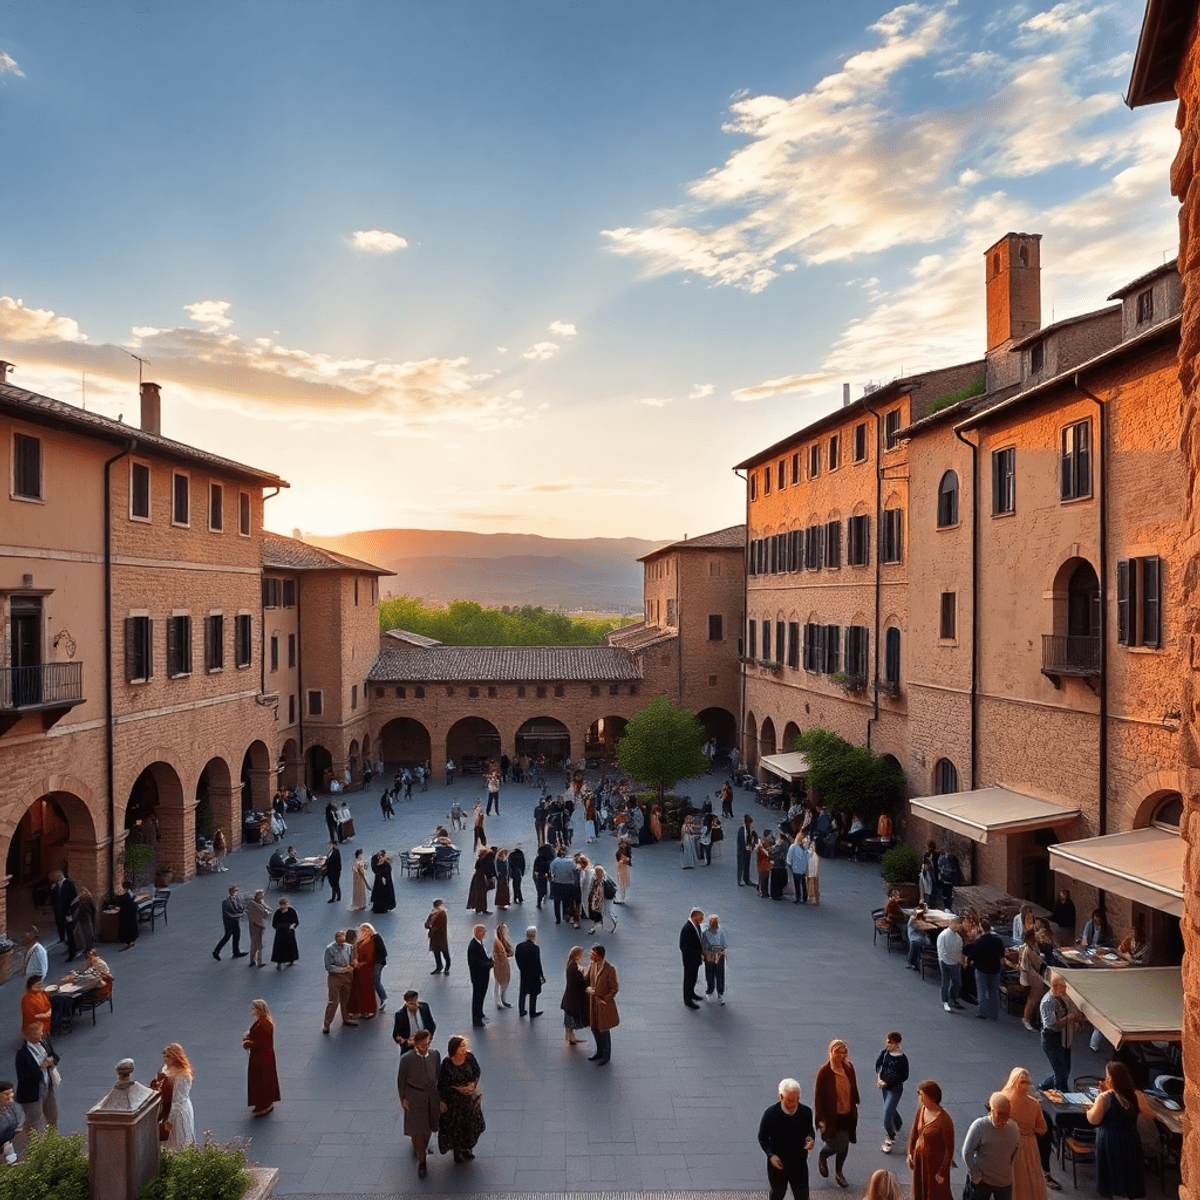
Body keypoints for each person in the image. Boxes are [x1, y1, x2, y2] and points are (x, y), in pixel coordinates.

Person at [1086, 1061, 1153, 1199]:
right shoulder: (1137, 1095)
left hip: (1109, 1141)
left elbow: (1094, 1119)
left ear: (1111, 1079)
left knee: (1110, 1175)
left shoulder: (1105, 1097)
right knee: (1129, 1173)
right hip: (1130, 1138)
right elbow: (1150, 1114)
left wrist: (1088, 1110)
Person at [757, 1077, 816, 1200]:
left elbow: (809, 1130)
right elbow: (762, 1137)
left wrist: (810, 1139)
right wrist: (771, 1155)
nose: (793, 1104)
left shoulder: (805, 1112)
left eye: (796, 1100)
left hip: (799, 1163)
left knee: (802, 1196)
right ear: (781, 1097)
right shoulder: (771, 1114)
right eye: (789, 1100)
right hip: (778, 1163)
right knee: (778, 1193)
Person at [814, 1038, 859, 1188]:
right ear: (831, 1052)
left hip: (846, 1115)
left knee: (844, 1146)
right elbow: (818, 1098)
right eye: (837, 1052)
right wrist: (820, 1118)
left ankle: (839, 1172)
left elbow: (853, 1087)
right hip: (830, 1117)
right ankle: (823, 1156)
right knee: (833, 1145)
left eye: (843, 1052)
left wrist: (855, 1104)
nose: (840, 1055)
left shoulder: (848, 1067)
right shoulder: (824, 1072)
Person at [1000, 1068, 1050, 1200]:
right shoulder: (1034, 1104)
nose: (1026, 1085)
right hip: (1029, 1145)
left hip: (1009, 1144)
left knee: (1013, 1177)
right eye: (1024, 1082)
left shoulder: (1004, 1101)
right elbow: (1043, 1128)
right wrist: (1030, 1131)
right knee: (1029, 1178)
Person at [398, 1029, 442, 1177]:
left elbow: (438, 1075)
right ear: (415, 1044)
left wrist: (441, 1098)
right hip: (414, 1096)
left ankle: (422, 1146)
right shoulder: (406, 1059)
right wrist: (403, 1098)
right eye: (422, 1045)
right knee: (417, 1129)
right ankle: (422, 1160)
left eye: (427, 1044)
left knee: (429, 1126)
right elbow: (401, 1080)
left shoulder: (435, 1055)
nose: (425, 1047)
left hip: (431, 1095)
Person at [961, 1092, 1020, 1200]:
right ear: (992, 1111)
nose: (1003, 1120)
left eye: (1006, 1116)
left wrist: (1008, 1167)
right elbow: (967, 1152)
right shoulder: (980, 1126)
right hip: (982, 1180)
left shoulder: (1013, 1127)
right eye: (1000, 1115)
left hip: (1004, 1180)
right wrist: (976, 1174)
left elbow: (1015, 1150)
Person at [437, 1035, 484, 1163]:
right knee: (456, 1127)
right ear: (455, 1048)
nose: (464, 1048)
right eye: (461, 1046)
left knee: (471, 1126)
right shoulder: (447, 1063)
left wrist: (472, 1084)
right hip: (454, 1102)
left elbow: (476, 1071)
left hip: (469, 1100)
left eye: (465, 1045)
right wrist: (453, 1091)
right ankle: (457, 1152)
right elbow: (442, 1083)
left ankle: (466, 1149)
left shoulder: (469, 1058)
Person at [906, 1079, 954, 1200]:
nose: (919, 1097)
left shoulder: (944, 1120)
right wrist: (910, 1153)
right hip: (920, 1160)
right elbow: (914, 1132)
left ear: (930, 1097)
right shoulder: (921, 1110)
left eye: (921, 1094)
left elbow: (949, 1149)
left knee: (934, 1193)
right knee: (920, 1189)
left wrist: (943, 1172)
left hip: (934, 1165)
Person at [1038, 973, 1085, 1092]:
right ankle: (1062, 1093)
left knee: (1064, 1069)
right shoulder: (1048, 1002)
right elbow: (1050, 1024)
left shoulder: (1062, 997)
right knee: (1061, 1072)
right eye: (1063, 986)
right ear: (1055, 986)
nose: (1065, 989)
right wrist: (1070, 1017)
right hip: (1051, 1038)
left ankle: (1043, 1087)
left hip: (1063, 1037)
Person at [14, 1023, 58, 1137]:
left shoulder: (44, 1044)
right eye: (39, 1033)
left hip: (47, 1087)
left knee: (52, 1115)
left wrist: (51, 1061)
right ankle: (32, 1147)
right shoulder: (22, 1054)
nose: (42, 1034)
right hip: (31, 1093)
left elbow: (55, 1056)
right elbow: (23, 1077)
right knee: (34, 1122)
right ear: (30, 1035)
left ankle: (53, 1142)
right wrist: (41, 1068)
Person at [242, 999, 280, 1117]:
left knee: (262, 1079)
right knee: (260, 1079)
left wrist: (248, 1043)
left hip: (262, 1057)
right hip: (261, 1056)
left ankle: (265, 1103)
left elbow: (262, 1043)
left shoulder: (264, 1023)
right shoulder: (262, 1021)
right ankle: (261, 1102)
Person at [875, 1031, 909, 1153]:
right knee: (890, 1108)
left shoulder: (902, 1059)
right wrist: (879, 1078)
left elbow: (904, 1076)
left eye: (890, 1043)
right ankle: (898, 1123)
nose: (887, 1044)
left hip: (895, 1090)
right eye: (887, 1041)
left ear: (897, 1044)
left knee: (887, 1112)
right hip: (884, 1088)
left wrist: (888, 1082)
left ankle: (890, 1136)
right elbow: (878, 1065)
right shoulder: (885, 1054)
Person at [966, 918, 1006, 1020]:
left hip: (982, 969)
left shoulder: (979, 941)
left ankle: (983, 1012)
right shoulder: (997, 940)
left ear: (981, 928)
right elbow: (1002, 953)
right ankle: (994, 1013)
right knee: (993, 992)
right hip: (995, 969)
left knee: (982, 991)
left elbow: (972, 954)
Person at [158, 1044, 196, 1150]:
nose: (165, 1058)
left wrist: (171, 1120)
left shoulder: (183, 1075)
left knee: (179, 1141)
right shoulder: (165, 1069)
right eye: (164, 1055)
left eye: (168, 1056)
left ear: (175, 1057)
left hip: (178, 1112)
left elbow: (179, 1100)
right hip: (166, 1107)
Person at [586, 944, 618, 1065]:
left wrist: (605, 999)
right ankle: (599, 1051)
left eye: (592, 954)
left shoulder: (609, 969)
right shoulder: (593, 965)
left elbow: (614, 988)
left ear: (599, 956)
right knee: (594, 1028)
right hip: (593, 1004)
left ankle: (606, 1055)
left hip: (603, 1005)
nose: (590, 956)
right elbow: (588, 979)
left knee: (604, 1030)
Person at [321, 929, 356, 1033]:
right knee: (333, 1001)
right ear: (335, 939)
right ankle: (327, 1024)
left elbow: (352, 959)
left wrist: (352, 966)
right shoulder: (330, 949)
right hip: (335, 977)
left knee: (346, 998)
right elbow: (328, 966)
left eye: (343, 937)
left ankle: (346, 1018)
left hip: (347, 976)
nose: (341, 940)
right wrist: (342, 969)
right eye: (339, 938)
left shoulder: (349, 947)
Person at [348, 922, 378, 1020]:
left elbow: (369, 959)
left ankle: (367, 1010)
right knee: (357, 990)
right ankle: (358, 1010)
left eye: (365, 931)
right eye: (362, 931)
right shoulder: (361, 941)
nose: (363, 933)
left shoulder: (370, 942)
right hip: (359, 969)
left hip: (366, 970)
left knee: (366, 990)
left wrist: (359, 964)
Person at [561, 946, 589, 1046]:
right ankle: (571, 1038)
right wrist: (584, 975)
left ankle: (570, 1037)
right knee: (572, 1020)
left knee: (569, 1019)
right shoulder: (574, 967)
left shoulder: (570, 964)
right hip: (573, 998)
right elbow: (581, 982)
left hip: (569, 997)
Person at [514, 927, 544, 1017]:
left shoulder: (519, 946)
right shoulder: (535, 948)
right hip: (533, 974)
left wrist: (521, 968)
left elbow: (517, 958)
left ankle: (521, 1010)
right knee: (533, 993)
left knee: (523, 992)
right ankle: (532, 1011)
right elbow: (537, 963)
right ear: (534, 936)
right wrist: (541, 975)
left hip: (524, 972)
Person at [213, 884, 247, 961]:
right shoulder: (225, 902)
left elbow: (240, 907)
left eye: (236, 890)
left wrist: (243, 909)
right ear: (230, 891)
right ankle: (216, 951)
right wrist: (240, 914)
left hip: (235, 921)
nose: (235, 892)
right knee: (227, 936)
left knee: (237, 935)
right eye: (234, 890)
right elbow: (228, 914)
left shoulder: (237, 898)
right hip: (228, 922)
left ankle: (236, 952)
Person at [937, 921, 965, 1013]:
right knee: (945, 981)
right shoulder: (943, 935)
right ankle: (944, 1001)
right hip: (945, 961)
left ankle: (953, 998)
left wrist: (958, 960)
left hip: (954, 962)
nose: (957, 927)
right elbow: (941, 949)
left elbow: (959, 950)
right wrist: (946, 959)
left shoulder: (958, 937)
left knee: (957, 982)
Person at [467, 925, 493, 1027]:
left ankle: (480, 1013)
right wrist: (491, 964)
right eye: (483, 932)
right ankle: (476, 1020)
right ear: (478, 933)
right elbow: (478, 963)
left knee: (481, 997)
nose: (485, 934)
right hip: (479, 978)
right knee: (477, 998)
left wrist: (490, 960)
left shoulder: (478, 943)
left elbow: (483, 958)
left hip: (482, 977)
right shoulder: (473, 947)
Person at [680, 908, 705, 1009]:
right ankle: (687, 1000)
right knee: (688, 979)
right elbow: (683, 946)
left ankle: (692, 993)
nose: (702, 920)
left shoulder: (696, 926)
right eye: (700, 918)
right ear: (695, 917)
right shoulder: (687, 929)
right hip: (690, 960)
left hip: (695, 959)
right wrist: (693, 955)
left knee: (693, 977)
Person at [701, 913, 728, 1003]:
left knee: (714, 974)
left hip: (714, 955)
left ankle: (714, 992)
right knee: (714, 974)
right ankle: (713, 991)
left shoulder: (717, 931)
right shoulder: (719, 932)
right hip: (714, 955)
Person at [270, 898, 299, 970]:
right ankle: (279, 962)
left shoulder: (291, 911)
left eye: (285, 905)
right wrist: (283, 926)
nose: (284, 906)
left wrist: (293, 925)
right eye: (282, 905)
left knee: (290, 946)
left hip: (289, 932)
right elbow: (274, 924)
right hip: (281, 933)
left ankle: (291, 959)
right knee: (280, 948)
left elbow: (296, 921)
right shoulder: (278, 913)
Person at [467, 847, 496, 916]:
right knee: (483, 893)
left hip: (476, 876)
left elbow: (476, 867)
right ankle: (483, 909)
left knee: (476, 892)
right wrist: (492, 877)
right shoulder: (490, 858)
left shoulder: (481, 858)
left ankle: (477, 908)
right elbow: (490, 869)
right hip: (482, 877)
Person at [492, 922, 514, 1009]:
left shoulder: (503, 940)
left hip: (503, 966)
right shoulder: (497, 942)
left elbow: (509, 950)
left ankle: (503, 1000)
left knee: (503, 984)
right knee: (499, 984)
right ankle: (499, 1002)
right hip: (499, 967)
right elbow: (501, 954)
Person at [0, 1082, 23, 1164]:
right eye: (6, 1094)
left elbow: (13, 1125)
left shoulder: (11, 1107)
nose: (11, 1096)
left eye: (12, 1092)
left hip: (7, 1145)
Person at [425, 899, 450, 975]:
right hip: (434, 937)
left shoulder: (442, 914)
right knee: (436, 952)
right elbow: (426, 924)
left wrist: (431, 927)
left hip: (441, 936)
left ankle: (447, 967)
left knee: (444, 952)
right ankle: (439, 967)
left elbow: (439, 926)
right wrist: (429, 926)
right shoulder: (432, 914)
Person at [787, 834, 809, 904]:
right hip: (801, 868)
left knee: (799, 883)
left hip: (798, 868)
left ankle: (799, 898)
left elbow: (789, 857)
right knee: (802, 883)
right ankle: (803, 897)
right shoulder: (804, 847)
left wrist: (789, 863)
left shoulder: (794, 846)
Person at [736, 815, 756, 887]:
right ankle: (739, 880)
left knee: (747, 865)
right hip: (742, 851)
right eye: (750, 823)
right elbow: (741, 842)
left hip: (747, 851)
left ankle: (746, 879)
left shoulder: (748, 830)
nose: (751, 825)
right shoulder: (741, 830)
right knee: (741, 865)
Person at [615, 839, 632, 904]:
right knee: (622, 883)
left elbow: (619, 858)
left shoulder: (621, 852)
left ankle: (621, 898)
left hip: (622, 869)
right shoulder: (626, 851)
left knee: (621, 883)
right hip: (623, 868)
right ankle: (622, 897)